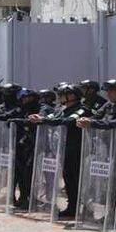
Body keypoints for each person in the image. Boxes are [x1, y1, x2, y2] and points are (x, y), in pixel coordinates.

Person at [30, 84, 91, 218]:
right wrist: (38, 118)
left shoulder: (82, 109)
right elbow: (51, 117)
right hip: (63, 150)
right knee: (68, 179)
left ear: (73, 96)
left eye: (63, 94)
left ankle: (87, 209)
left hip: (78, 150)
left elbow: (68, 121)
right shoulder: (61, 109)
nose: (60, 97)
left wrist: (44, 119)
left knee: (78, 180)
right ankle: (72, 207)